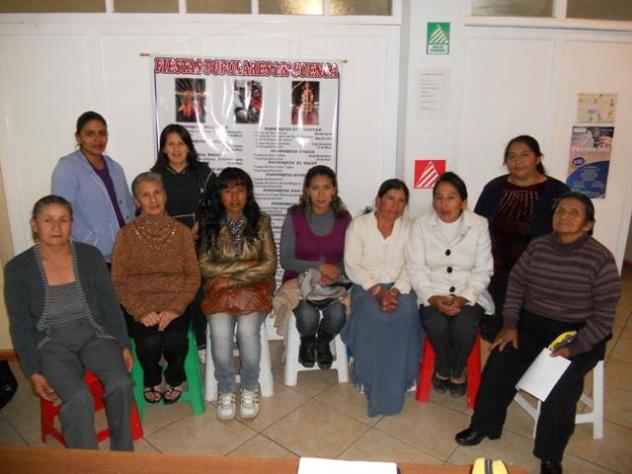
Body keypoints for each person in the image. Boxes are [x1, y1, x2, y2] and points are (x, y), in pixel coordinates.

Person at [455, 192, 621, 474]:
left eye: (573, 212)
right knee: (500, 360)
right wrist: (510, 324)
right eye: (560, 211)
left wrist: (576, 346)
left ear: (588, 224)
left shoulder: (600, 259)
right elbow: (517, 286)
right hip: (532, 324)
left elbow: (605, 316)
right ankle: (483, 425)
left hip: (578, 331)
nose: (564, 216)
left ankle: (550, 455)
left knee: (562, 384)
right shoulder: (538, 247)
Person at [4, 195, 134, 450]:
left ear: (71, 224)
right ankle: (85, 462)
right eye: (48, 220)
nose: (56, 227)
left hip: (94, 334)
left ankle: (122, 454)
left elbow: (109, 304)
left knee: (122, 383)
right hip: (51, 344)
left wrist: (123, 344)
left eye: (63, 220)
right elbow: (19, 324)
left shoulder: (90, 256)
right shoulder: (18, 268)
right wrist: (32, 372)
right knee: (78, 398)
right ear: (34, 224)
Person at [111, 173, 200, 405]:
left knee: (176, 339)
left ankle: (175, 376)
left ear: (165, 196)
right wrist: (139, 311)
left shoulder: (181, 232)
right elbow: (119, 279)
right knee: (148, 343)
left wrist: (176, 307)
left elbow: (193, 276)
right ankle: (152, 377)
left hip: (175, 302)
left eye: (157, 192)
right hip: (140, 304)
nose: (153, 200)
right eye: (145, 195)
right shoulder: (126, 235)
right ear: (136, 201)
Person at [198, 168, 276, 421]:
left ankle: (250, 387)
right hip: (219, 294)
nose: (234, 197)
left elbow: (268, 265)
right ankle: (226, 389)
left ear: (248, 193)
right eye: (228, 191)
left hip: (254, 291)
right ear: (219, 195)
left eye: (240, 190)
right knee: (220, 333)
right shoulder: (210, 223)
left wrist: (231, 278)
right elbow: (204, 266)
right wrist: (247, 266)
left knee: (246, 331)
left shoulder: (261, 221)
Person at [407, 172, 494, 398]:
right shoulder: (420, 225)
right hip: (433, 290)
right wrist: (431, 297)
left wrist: (465, 297)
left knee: (465, 324)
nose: (443, 204)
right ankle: (445, 368)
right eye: (439, 197)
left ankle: (456, 372)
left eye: (451, 197)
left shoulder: (479, 224)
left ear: (463, 202)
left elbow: (483, 269)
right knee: (435, 323)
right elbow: (416, 268)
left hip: (469, 291)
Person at [475, 135, 569, 341]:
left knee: (530, 332)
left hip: (538, 277)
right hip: (496, 272)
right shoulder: (494, 188)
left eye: (524, 155)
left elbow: (570, 234)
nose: (517, 161)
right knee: (496, 328)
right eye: (511, 156)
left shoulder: (557, 191)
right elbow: (477, 226)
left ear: (538, 158)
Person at [341, 179, 422, 417]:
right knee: (372, 316)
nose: (395, 206)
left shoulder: (410, 229)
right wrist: (377, 291)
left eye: (401, 201)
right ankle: (367, 377)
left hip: (401, 288)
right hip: (366, 287)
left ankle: (402, 378)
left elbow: (413, 265)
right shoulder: (359, 226)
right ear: (378, 200)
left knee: (404, 314)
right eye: (390, 199)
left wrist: (395, 291)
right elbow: (352, 265)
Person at [151, 124, 215, 351]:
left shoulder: (204, 174)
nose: (176, 149)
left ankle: (203, 343)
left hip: (200, 243)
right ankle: (178, 345)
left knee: (199, 290)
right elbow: (147, 213)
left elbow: (215, 207)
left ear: (189, 147)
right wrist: (177, 235)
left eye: (181, 143)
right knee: (174, 292)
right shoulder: (155, 177)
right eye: (171, 144)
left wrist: (199, 227)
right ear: (164, 149)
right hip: (166, 247)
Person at [280, 165, 351, 369]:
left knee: (338, 316)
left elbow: (351, 257)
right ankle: (307, 340)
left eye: (326, 187)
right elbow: (286, 260)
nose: (321, 194)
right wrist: (319, 267)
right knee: (307, 316)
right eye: (315, 188)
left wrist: (335, 272)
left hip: (334, 282)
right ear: (307, 190)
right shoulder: (294, 216)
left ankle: (323, 341)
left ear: (334, 190)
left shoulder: (344, 219)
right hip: (299, 282)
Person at [52, 111, 135, 264]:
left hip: (126, 251)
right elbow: (61, 214)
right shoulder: (67, 168)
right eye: (90, 134)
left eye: (102, 133)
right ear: (78, 137)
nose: (98, 139)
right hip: (93, 255)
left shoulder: (115, 167)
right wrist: (93, 242)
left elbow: (129, 205)